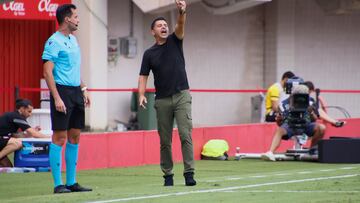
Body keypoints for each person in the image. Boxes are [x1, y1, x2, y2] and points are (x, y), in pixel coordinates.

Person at [138, 0, 196, 186]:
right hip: (161, 99)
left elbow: (180, 24)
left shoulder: (175, 39)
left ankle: (189, 174)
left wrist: (182, 11)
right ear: (152, 32)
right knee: (165, 140)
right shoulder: (149, 54)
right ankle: (168, 176)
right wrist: (140, 95)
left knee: (185, 134)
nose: (164, 27)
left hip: (181, 95)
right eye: (159, 26)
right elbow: (143, 76)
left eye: (165, 25)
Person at [42, 4, 91, 194]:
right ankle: (57, 184)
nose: (78, 20)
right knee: (60, 137)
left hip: (76, 92)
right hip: (61, 91)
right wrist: (56, 98)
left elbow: (74, 69)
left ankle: (71, 182)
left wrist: (84, 89)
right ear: (67, 19)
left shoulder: (74, 40)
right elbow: (47, 72)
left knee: (75, 136)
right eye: (76, 17)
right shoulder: (53, 42)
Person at [262, 85, 326, 161]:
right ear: (293, 94)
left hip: (306, 125)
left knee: (322, 128)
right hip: (290, 125)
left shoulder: (310, 101)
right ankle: (270, 152)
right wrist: (279, 119)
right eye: (298, 96)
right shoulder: (284, 104)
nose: (300, 98)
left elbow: (314, 119)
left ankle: (311, 151)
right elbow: (279, 124)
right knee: (279, 130)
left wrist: (311, 112)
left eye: (303, 96)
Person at [0, 99, 49, 167]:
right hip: (1, 139)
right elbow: (35, 134)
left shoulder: (14, 117)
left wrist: (32, 132)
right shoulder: (17, 117)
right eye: (29, 111)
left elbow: (16, 135)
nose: (30, 114)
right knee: (18, 143)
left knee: (8, 167)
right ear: (22, 109)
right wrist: (50, 138)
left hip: (2, 139)